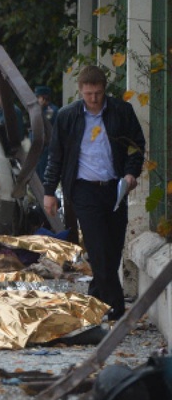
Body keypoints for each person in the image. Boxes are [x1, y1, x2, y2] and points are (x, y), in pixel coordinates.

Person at [43, 65, 145, 322]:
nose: (93, 99)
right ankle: (116, 308)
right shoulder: (68, 117)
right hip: (83, 190)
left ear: (105, 91)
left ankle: (95, 296)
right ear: (80, 91)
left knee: (112, 248)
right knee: (98, 248)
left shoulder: (121, 111)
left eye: (98, 93)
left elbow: (136, 146)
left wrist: (132, 173)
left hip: (114, 188)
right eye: (88, 94)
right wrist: (49, 191)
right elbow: (56, 156)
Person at [35, 85, 59, 181]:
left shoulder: (51, 111)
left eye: (38, 97)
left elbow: (44, 124)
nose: (36, 100)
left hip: (47, 148)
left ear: (44, 98)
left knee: (45, 177)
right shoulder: (40, 110)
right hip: (39, 149)